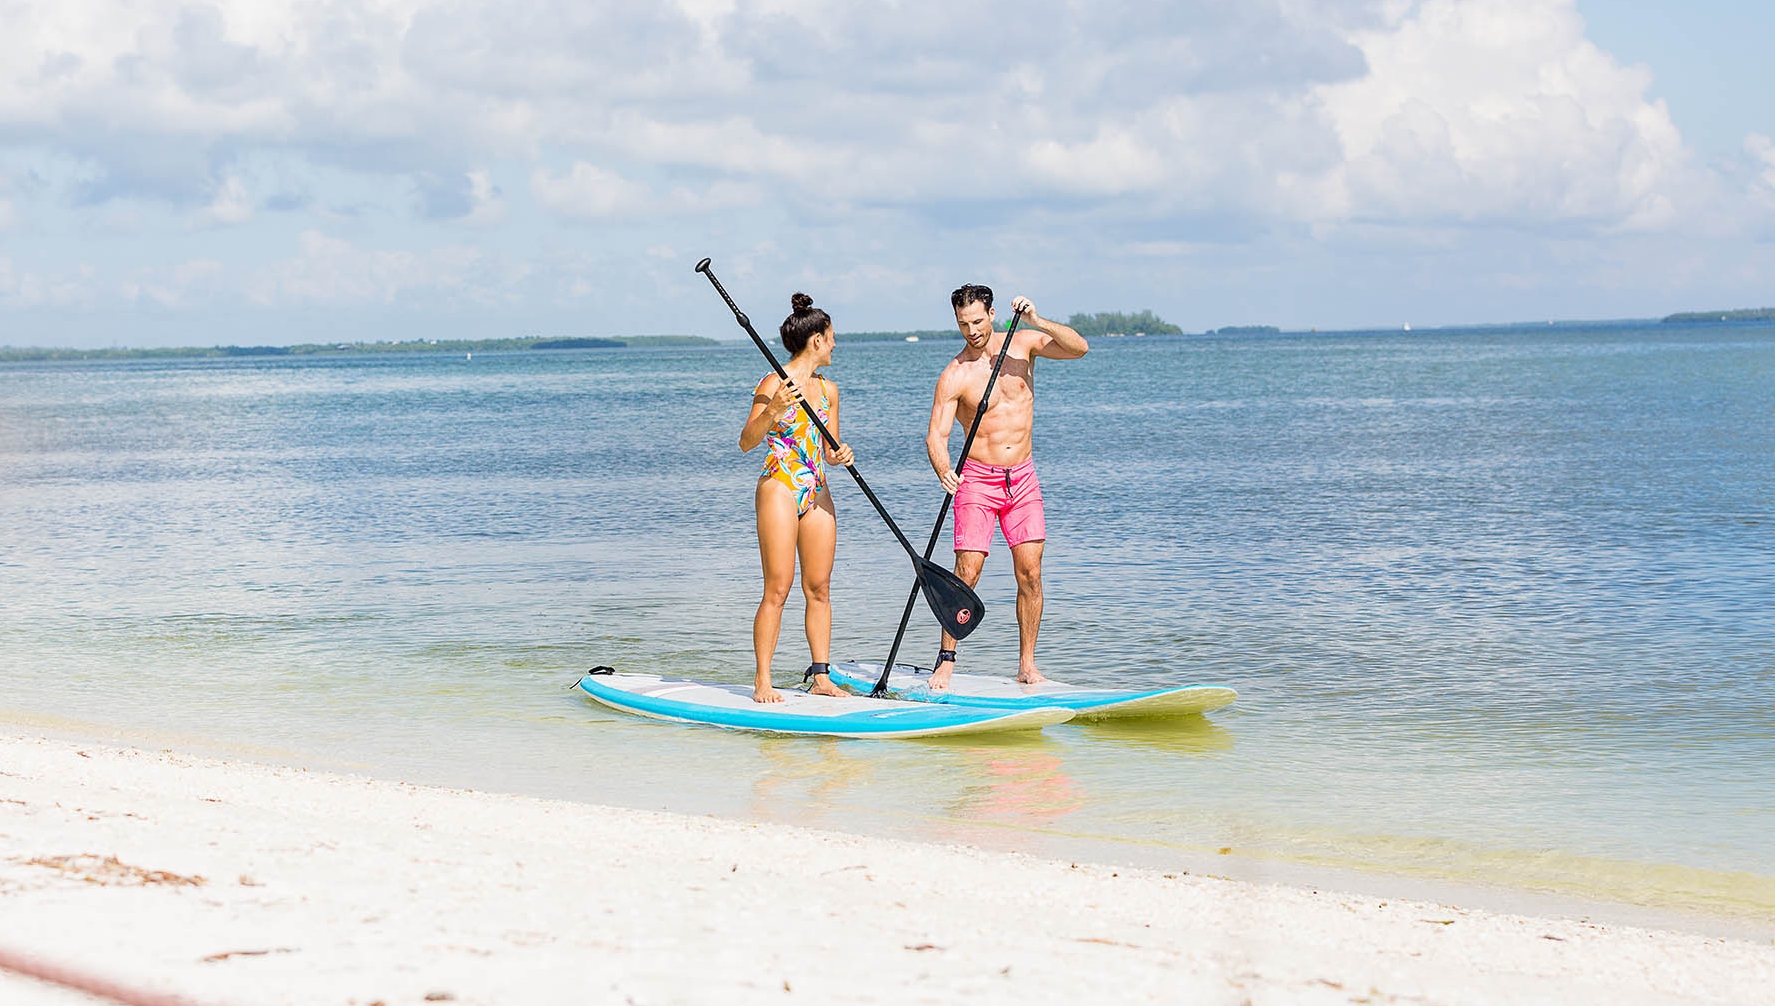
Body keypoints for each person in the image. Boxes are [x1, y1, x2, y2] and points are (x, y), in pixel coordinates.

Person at [925, 284, 1088, 688]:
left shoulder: (1024, 345)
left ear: (992, 313)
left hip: (1023, 478)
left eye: (977, 321)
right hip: (977, 479)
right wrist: (943, 468)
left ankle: (1027, 665)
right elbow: (936, 436)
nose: (971, 330)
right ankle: (946, 658)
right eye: (963, 324)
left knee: (1030, 573)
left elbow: (1079, 348)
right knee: (967, 571)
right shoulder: (956, 374)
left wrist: (1037, 319)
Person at [739, 293, 856, 703]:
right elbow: (746, 442)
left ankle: (821, 677)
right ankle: (763, 681)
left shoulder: (829, 390)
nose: (836, 344)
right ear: (817, 341)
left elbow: (830, 449)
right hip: (780, 484)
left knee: (820, 587)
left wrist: (842, 454)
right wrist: (773, 411)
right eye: (832, 337)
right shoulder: (773, 382)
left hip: (817, 486)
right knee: (778, 587)